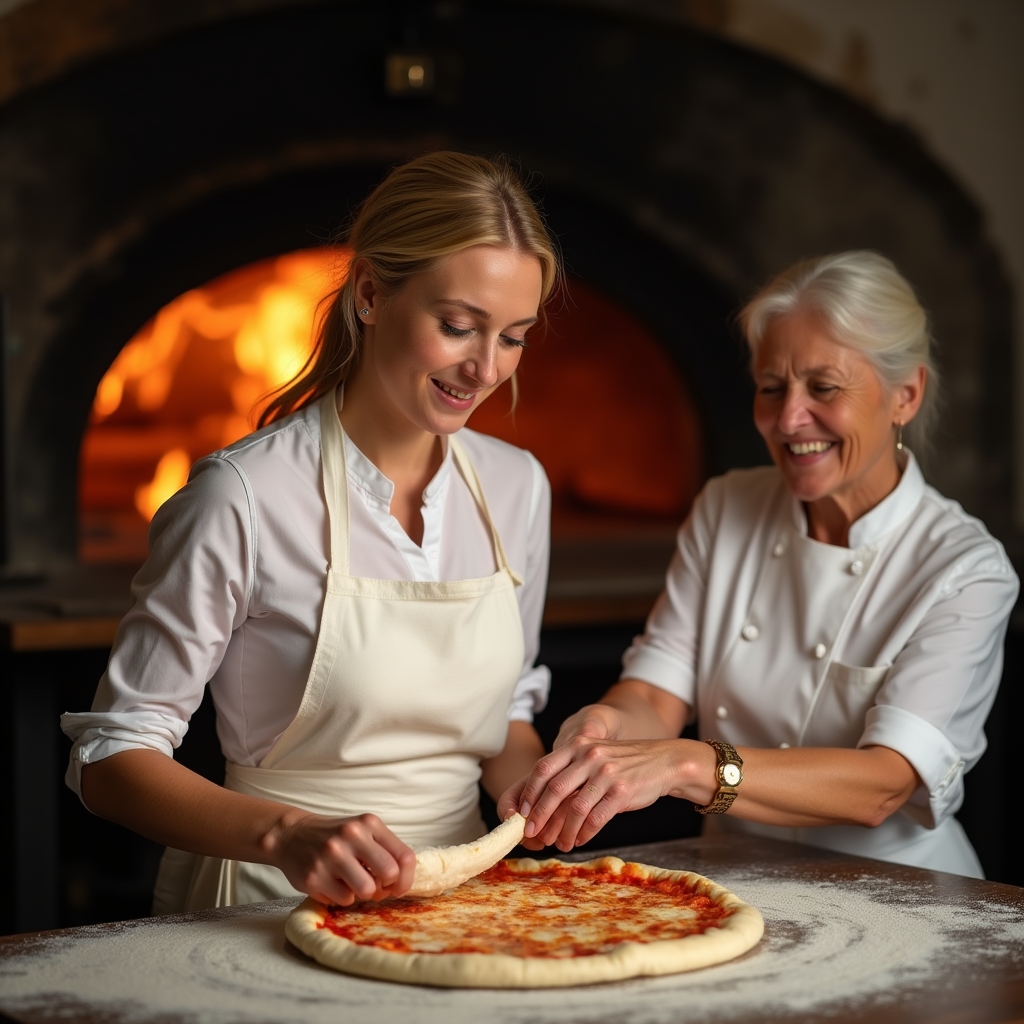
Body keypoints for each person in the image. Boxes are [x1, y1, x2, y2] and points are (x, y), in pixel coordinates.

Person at [62, 151, 560, 911]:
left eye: (514, 337)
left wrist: (543, 787)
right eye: (458, 327)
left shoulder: (517, 486)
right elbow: (111, 756)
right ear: (370, 294)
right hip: (267, 902)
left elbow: (506, 719)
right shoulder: (243, 495)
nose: (486, 368)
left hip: (460, 903)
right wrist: (286, 835)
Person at [500, 251, 1018, 877]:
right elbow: (655, 692)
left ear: (905, 394)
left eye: (823, 387)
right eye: (772, 388)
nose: (788, 419)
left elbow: (884, 785)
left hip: (899, 890)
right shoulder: (726, 507)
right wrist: (607, 726)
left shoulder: (965, 569)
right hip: (733, 877)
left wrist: (685, 764)